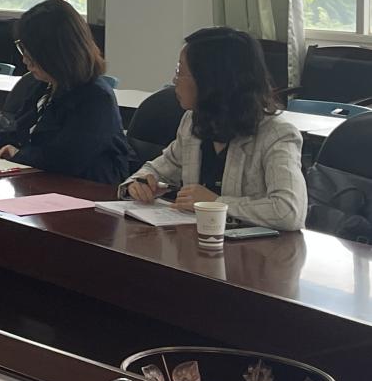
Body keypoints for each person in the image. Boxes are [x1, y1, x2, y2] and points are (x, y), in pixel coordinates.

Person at [0, 0, 133, 185]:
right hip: (41, 186)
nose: (24, 60)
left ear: (57, 52)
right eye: (22, 49)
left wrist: (18, 154)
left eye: (31, 52)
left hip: (88, 194)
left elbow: (66, 160)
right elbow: (14, 134)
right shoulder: (42, 86)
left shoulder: (96, 98)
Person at [121, 27, 305, 230]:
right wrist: (138, 185)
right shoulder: (193, 121)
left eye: (180, 72)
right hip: (198, 242)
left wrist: (215, 203)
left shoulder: (277, 134)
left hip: (255, 248)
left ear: (209, 81)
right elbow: (159, 169)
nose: (174, 80)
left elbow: (289, 211)